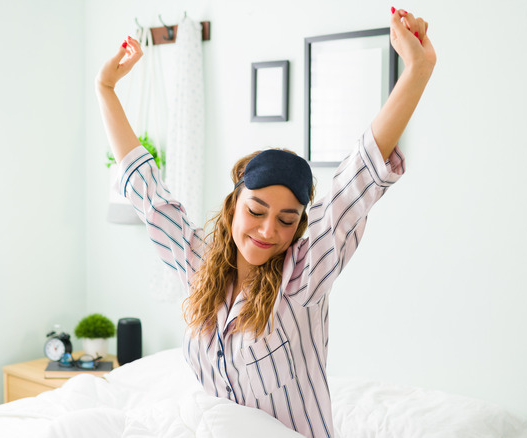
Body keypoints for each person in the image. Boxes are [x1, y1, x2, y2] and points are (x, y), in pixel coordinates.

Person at [96, 8, 435, 438]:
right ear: (234, 204)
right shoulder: (197, 263)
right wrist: (106, 88)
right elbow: (148, 193)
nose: (268, 231)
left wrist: (417, 70)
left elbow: (355, 181)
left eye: (287, 220)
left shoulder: (303, 281)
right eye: (256, 212)